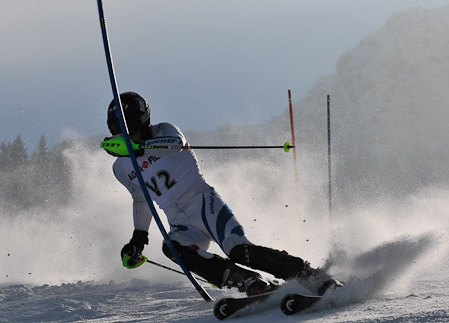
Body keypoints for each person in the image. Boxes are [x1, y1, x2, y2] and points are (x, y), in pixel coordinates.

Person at [103, 92, 334, 296]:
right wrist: (138, 237)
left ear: (143, 122)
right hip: (180, 221)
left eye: (130, 129)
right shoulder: (121, 168)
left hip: (204, 204)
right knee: (172, 248)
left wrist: (139, 149)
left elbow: (176, 144)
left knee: (238, 250)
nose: (127, 136)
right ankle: (248, 282)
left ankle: (303, 272)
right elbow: (141, 199)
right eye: (119, 131)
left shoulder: (164, 131)